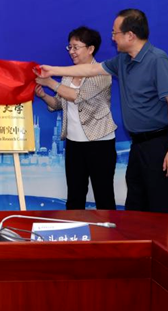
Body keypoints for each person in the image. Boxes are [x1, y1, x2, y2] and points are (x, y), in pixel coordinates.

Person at [37, 9, 168, 214]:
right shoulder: (123, 60)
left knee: (161, 205)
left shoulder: (157, 59)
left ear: (130, 35)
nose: (112, 37)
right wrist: (53, 71)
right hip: (138, 144)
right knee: (136, 205)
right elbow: (89, 70)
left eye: (115, 33)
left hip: (159, 143)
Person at [35, 26, 117, 210]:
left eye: (76, 47)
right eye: (69, 47)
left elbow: (77, 96)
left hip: (99, 142)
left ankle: (109, 229)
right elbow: (59, 103)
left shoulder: (103, 72)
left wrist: (50, 82)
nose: (71, 51)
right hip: (74, 143)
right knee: (74, 196)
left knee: (103, 196)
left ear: (90, 49)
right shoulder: (68, 73)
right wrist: (43, 95)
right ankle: (74, 228)